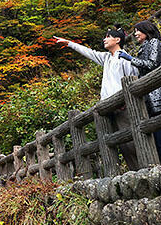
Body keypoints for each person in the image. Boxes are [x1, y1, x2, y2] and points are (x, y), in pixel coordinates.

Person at [54, 26, 139, 170]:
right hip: (107, 106)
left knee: (130, 140)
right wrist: (69, 43)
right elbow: (89, 52)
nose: (104, 39)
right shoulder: (106, 57)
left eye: (108, 36)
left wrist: (125, 99)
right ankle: (133, 172)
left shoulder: (124, 57)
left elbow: (133, 78)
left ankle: (143, 168)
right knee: (118, 143)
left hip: (122, 105)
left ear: (117, 40)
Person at [118, 20, 161, 164]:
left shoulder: (154, 43)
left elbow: (152, 64)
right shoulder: (143, 47)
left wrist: (131, 59)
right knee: (157, 127)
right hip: (149, 93)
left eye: (138, 30)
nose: (135, 34)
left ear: (146, 30)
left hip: (160, 91)